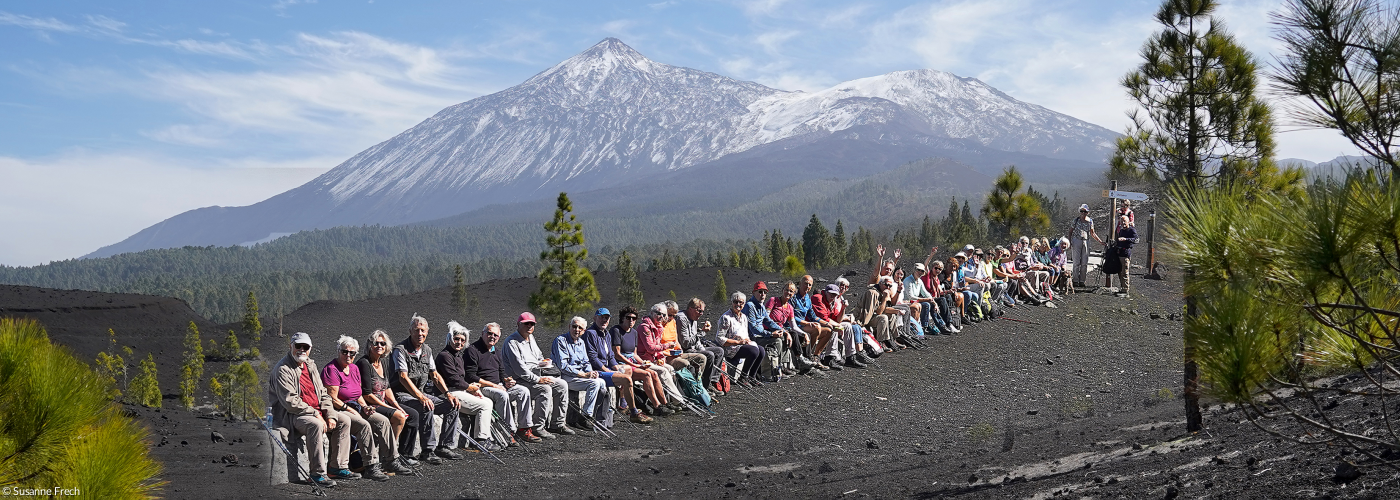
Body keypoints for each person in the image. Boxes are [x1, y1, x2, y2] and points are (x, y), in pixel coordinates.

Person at [268, 332, 355, 488]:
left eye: (305, 347)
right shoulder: (283, 369)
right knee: (315, 424)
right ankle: (317, 474)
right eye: (298, 346)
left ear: (310, 349)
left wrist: (330, 414)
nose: (302, 350)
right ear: (291, 347)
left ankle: (338, 467)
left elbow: (323, 393)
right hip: (292, 415)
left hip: (316, 410)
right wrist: (316, 414)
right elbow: (290, 402)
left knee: (344, 421)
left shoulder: (310, 365)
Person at [391, 316, 464, 465]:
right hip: (401, 395)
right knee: (426, 406)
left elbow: (435, 375)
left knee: (452, 405)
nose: (420, 334)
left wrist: (448, 394)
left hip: (420, 392)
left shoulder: (427, 350)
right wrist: (421, 397)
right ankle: (427, 450)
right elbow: (403, 377)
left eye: (423, 330)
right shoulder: (400, 350)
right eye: (417, 330)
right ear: (410, 331)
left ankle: (444, 446)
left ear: (427, 332)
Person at [321, 335, 394, 481]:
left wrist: (365, 407)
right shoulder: (331, 369)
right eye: (344, 352)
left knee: (382, 421)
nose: (348, 355)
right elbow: (332, 398)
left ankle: (391, 460)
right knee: (364, 425)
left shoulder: (354, 369)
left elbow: (358, 394)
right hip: (339, 409)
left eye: (352, 353)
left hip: (355, 407)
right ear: (338, 351)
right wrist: (349, 409)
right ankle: (371, 466)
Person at [463, 322, 538, 443]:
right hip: (482, 387)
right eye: (489, 333)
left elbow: (502, 373)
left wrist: (508, 380)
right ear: (483, 334)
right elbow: (471, 376)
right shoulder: (472, 350)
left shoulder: (496, 351)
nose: (492, 337)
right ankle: (507, 432)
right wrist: (494, 385)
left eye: (495, 335)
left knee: (523, 391)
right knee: (502, 395)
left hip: (498, 385)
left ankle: (524, 428)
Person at [502, 312, 574, 438]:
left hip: (536, 375)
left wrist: (544, 362)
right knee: (544, 389)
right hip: (520, 380)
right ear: (518, 324)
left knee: (562, 385)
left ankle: (557, 424)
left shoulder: (531, 338)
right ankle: (537, 427)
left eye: (532, 324)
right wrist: (538, 380)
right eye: (526, 324)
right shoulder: (511, 342)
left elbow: (538, 356)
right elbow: (520, 370)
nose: (529, 326)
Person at [355, 329, 418, 470]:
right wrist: (390, 408)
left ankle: (405, 453)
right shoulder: (364, 364)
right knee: (399, 417)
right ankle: (388, 456)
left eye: (382, 343)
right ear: (370, 345)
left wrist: (396, 405)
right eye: (376, 343)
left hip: (382, 402)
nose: (379, 346)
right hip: (371, 404)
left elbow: (387, 388)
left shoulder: (383, 362)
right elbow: (366, 394)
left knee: (413, 415)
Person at [435, 324, 502, 452]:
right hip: (448, 392)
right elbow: (454, 379)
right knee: (484, 405)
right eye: (456, 339)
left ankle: (486, 436)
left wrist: (471, 388)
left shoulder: (458, 355)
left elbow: (461, 378)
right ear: (450, 338)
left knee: (488, 401)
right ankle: (481, 440)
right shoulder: (445, 356)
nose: (459, 342)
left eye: (462, 340)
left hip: (459, 390)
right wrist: (470, 387)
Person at [582, 308, 655, 423]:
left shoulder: (606, 333)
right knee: (626, 379)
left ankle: (623, 403)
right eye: (601, 317)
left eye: (606, 318)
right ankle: (634, 412)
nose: (604, 320)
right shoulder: (590, 334)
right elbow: (593, 358)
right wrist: (609, 371)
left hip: (607, 368)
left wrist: (616, 368)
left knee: (627, 369)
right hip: (596, 370)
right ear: (595, 318)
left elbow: (611, 356)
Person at [611, 307, 678, 416]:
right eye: (628, 318)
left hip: (632, 361)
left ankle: (664, 404)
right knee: (647, 375)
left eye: (634, 318)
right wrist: (636, 365)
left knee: (654, 374)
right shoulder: (616, 330)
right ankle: (657, 406)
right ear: (622, 318)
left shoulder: (633, 333)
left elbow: (635, 354)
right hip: (622, 364)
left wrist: (642, 363)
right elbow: (617, 354)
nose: (631, 320)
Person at [552, 316, 608, 430]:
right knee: (594, 384)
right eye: (574, 326)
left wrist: (591, 372)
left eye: (580, 328)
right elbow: (563, 366)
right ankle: (585, 417)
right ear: (569, 327)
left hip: (579, 376)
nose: (576, 329)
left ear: (584, 331)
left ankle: (599, 415)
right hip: (565, 376)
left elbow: (586, 362)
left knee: (601, 382)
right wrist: (584, 375)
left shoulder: (581, 342)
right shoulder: (561, 341)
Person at [743, 281, 797, 379]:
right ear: (753, 293)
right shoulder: (750, 306)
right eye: (760, 292)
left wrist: (785, 332)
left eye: (765, 292)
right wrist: (771, 334)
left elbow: (769, 322)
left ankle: (781, 367)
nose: (763, 294)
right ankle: (775, 369)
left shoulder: (761, 306)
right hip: (751, 337)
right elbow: (754, 328)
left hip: (760, 335)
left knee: (783, 337)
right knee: (777, 341)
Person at [674, 298, 727, 394]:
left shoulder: (694, 318)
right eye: (699, 311)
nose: (701, 313)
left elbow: (696, 341)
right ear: (690, 308)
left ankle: (712, 381)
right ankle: (705, 387)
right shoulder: (682, 319)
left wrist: (702, 348)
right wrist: (702, 333)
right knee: (709, 355)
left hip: (694, 348)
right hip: (684, 350)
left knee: (719, 351)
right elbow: (685, 343)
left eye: (702, 311)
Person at [715, 291, 766, 386]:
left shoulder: (744, 317)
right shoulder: (726, 318)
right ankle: (743, 377)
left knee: (761, 350)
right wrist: (738, 342)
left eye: (741, 302)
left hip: (741, 345)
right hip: (730, 348)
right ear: (731, 302)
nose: (738, 304)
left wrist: (747, 341)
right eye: (735, 302)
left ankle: (752, 377)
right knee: (754, 351)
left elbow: (745, 334)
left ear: (744, 304)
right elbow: (719, 338)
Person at [812, 283, 867, 368]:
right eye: (831, 294)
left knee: (848, 326)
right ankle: (830, 357)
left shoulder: (835, 301)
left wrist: (843, 308)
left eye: (835, 295)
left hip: (827, 322)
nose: (833, 297)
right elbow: (824, 318)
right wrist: (838, 326)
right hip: (816, 322)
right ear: (826, 292)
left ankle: (850, 357)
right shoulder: (818, 298)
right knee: (834, 327)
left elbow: (838, 319)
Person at [788, 276, 831, 371]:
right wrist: (807, 323)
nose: (807, 286)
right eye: (805, 283)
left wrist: (827, 323)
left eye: (810, 285)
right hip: (795, 326)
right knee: (816, 328)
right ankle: (807, 356)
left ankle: (816, 356)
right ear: (800, 283)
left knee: (828, 331)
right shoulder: (793, 297)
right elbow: (790, 316)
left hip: (804, 325)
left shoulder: (807, 298)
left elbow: (813, 316)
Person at [1070, 204, 1104, 288]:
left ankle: (1082, 281)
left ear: (1087, 212)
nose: (1083, 213)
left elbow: (1093, 233)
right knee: (1076, 262)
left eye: (1085, 211)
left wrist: (1100, 241)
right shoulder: (1076, 220)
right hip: (1076, 240)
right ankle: (1075, 280)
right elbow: (1070, 231)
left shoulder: (1090, 221)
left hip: (1086, 241)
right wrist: (1069, 241)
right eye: (1081, 211)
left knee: (1084, 262)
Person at [1113, 214, 1139, 296]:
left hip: (1126, 253)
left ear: (1128, 222)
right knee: (1120, 272)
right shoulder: (1121, 231)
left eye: (1124, 221)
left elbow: (1136, 239)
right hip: (1119, 253)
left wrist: (1126, 239)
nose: (1123, 223)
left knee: (1125, 272)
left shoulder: (1131, 230)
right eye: (1121, 221)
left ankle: (1125, 290)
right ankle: (1122, 288)